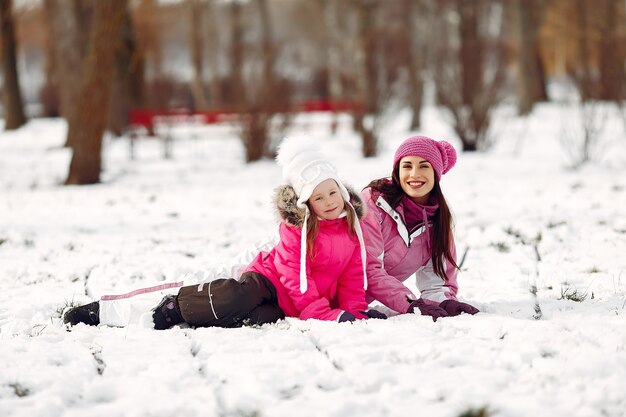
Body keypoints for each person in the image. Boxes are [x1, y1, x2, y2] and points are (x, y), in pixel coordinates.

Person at [63, 138, 386, 330]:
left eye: (332, 193)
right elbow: (294, 279)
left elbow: (352, 276)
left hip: (293, 304)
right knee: (235, 297)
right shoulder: (296, 231)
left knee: (253, 318)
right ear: (306, 203)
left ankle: (201, 313)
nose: (329, 202)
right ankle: (169, 307)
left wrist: (354, 310)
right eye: (318, 198)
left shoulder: (351, 228)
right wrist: (324, 315)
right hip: (269, 282)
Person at [361, 135, 479, 321]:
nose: (414, 174)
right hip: (322, 291)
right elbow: (368, 267)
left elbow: (436, 281)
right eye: (407, 166)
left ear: (436, 173)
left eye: (424, 166)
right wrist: (409, 303)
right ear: (397, 171)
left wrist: (444, 302)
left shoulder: (437, 221)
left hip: (353, 302)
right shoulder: (374, 203)